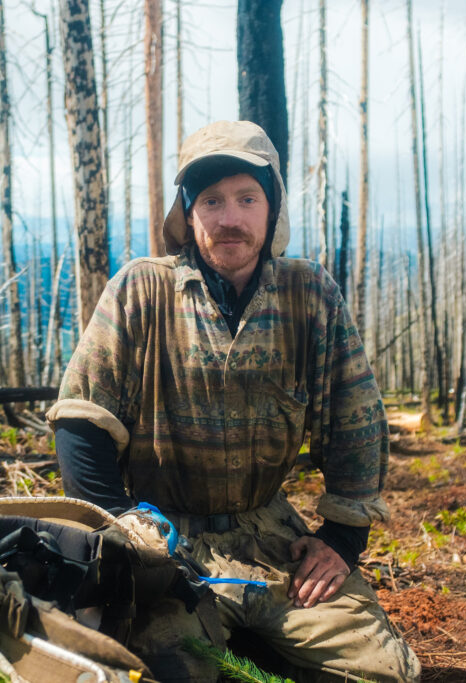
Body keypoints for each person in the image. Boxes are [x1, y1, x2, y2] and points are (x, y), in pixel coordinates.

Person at [46, 120, 420, 683]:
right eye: (212, 201)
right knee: (157, 674)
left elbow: (355, 420)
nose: (229, 219)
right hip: (162, 538)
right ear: (187, 214)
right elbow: (81, 419)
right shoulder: (141, 290)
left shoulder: (308, 294)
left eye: (247, 198)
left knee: (385, 675)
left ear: (272, 210)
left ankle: (264, 646)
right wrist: (123, 527)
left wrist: (341, 539)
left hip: (271, 539)